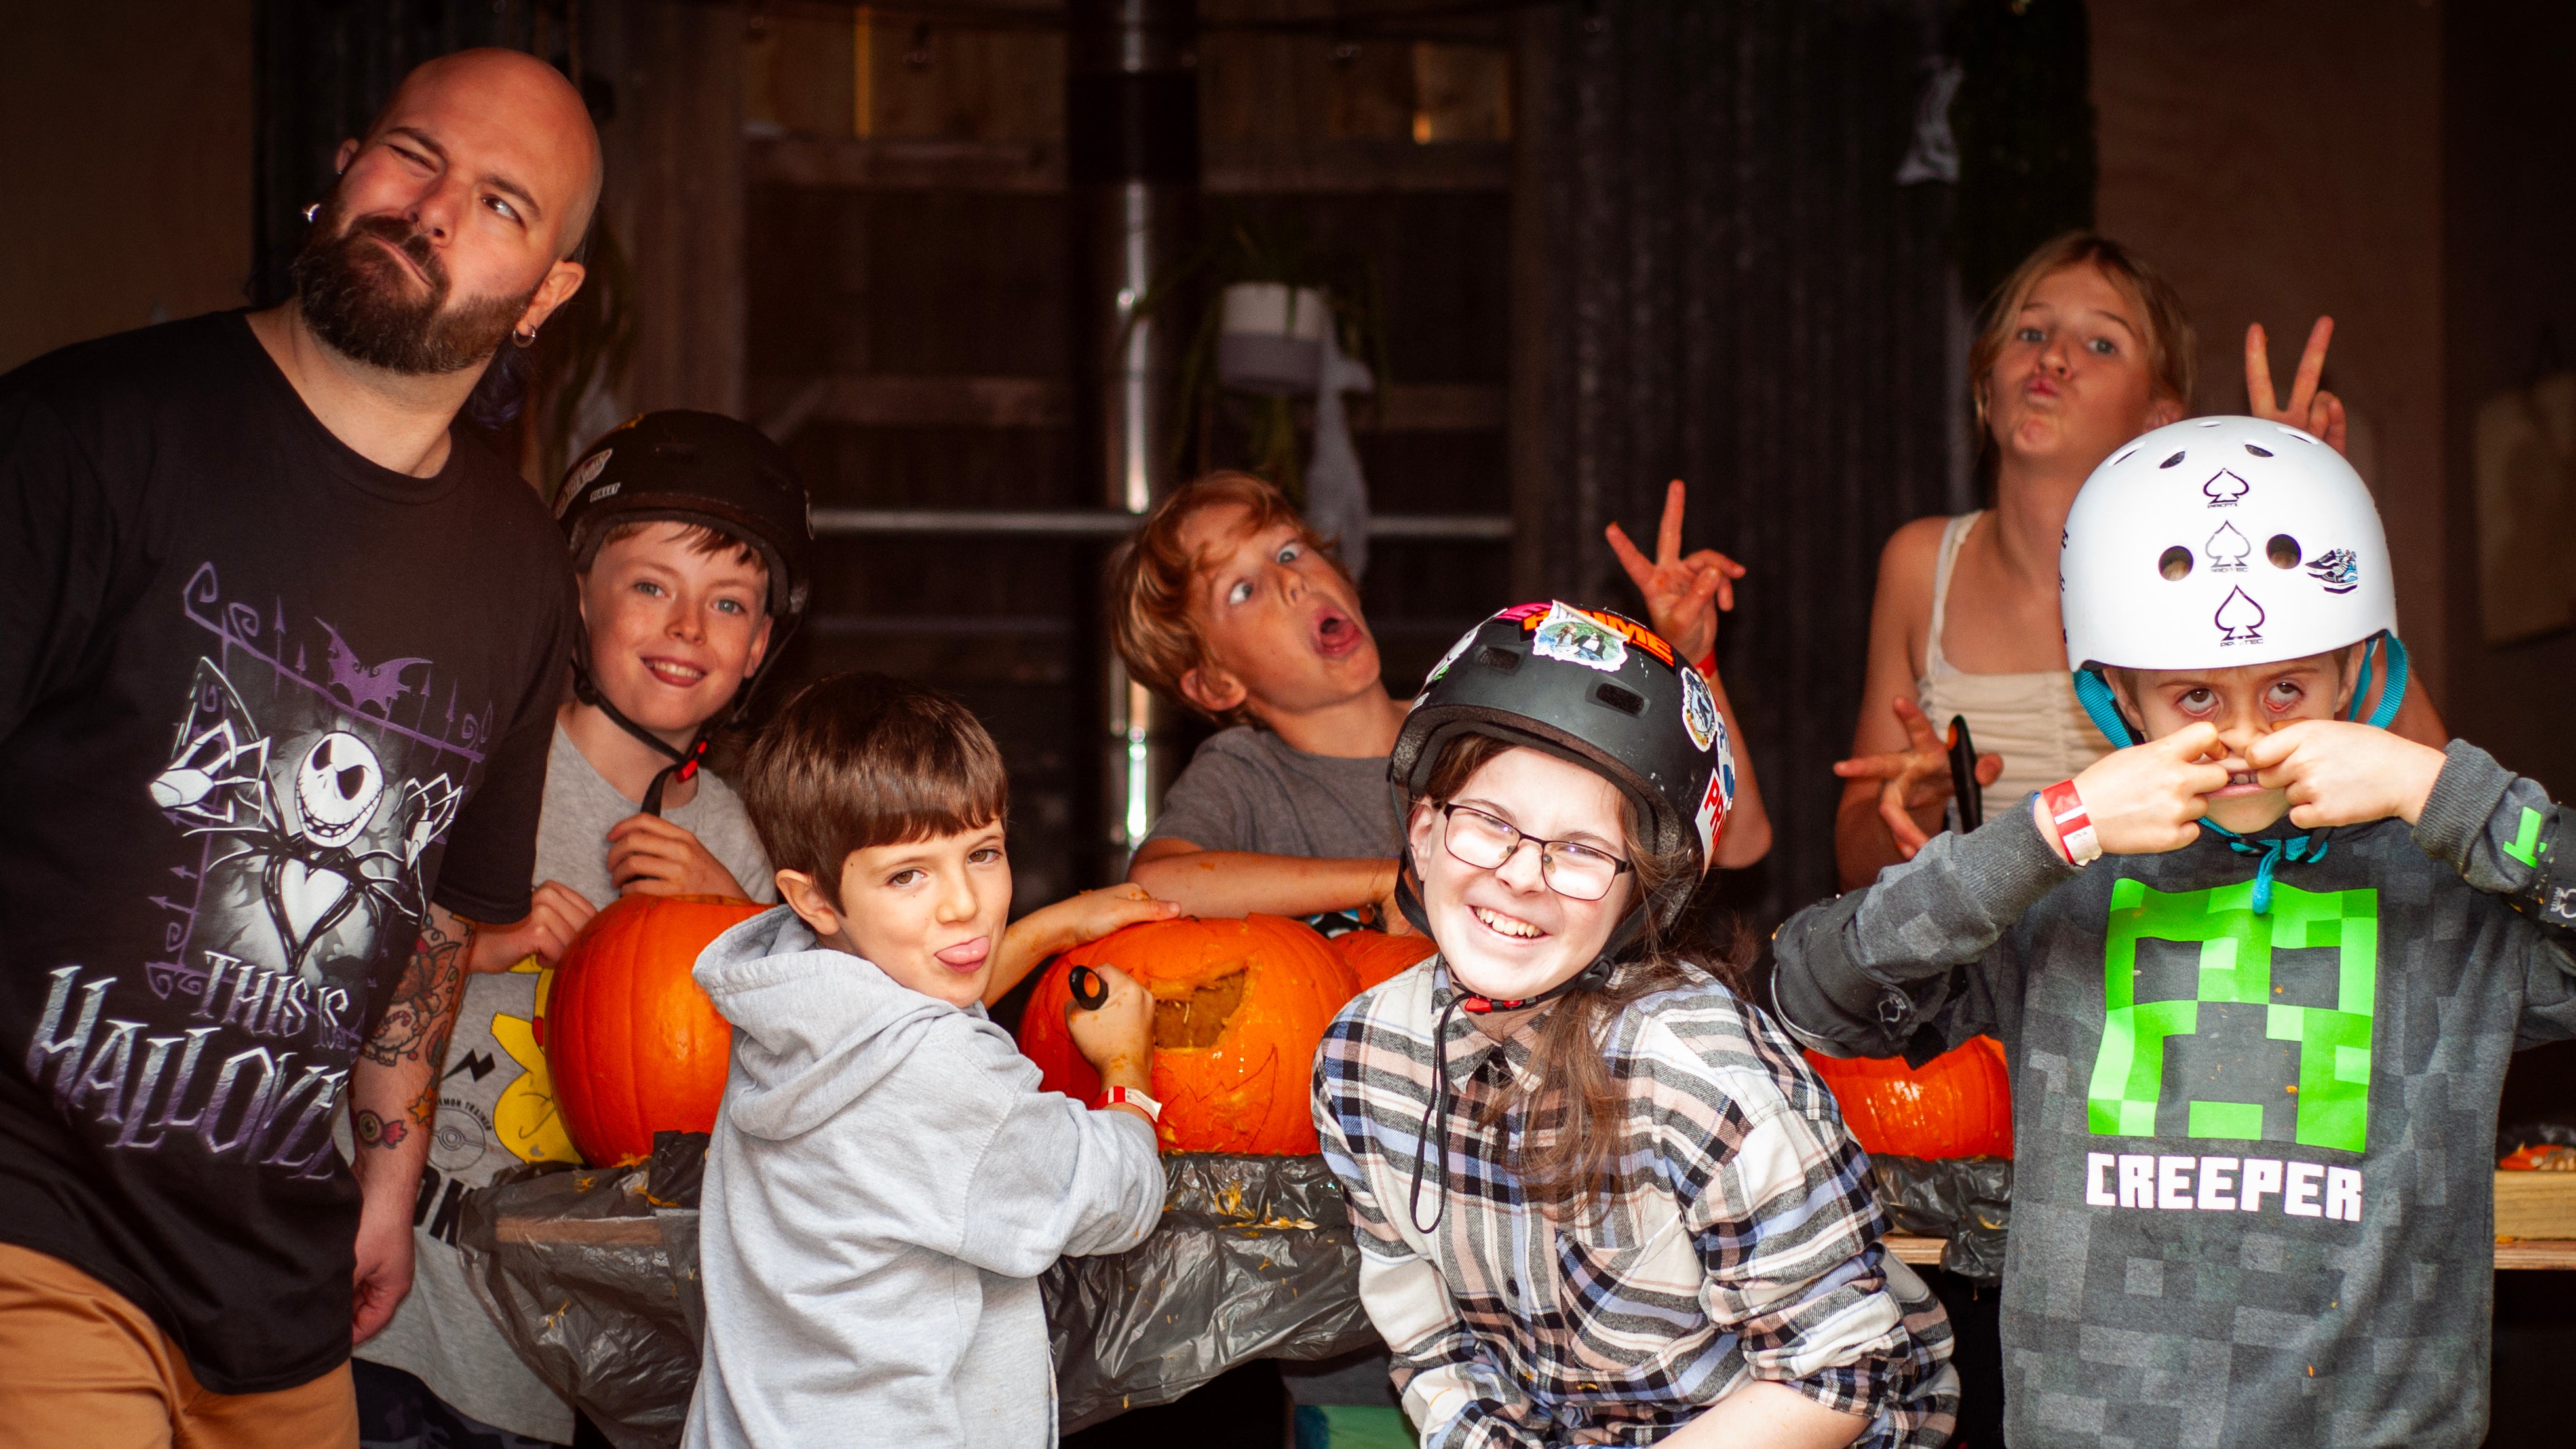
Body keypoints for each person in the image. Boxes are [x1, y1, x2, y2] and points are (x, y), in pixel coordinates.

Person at [0, 48, 598, 1449]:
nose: (436, 209)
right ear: (345, 168)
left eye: (503, 203)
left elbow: (438, 912)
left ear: (549, 292)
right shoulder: (81, 436)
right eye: (415, 154)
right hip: (34, 1230)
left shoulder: (518, 571)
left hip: (276, 1293)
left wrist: (386, 1176)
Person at [1771, 416, 2576, 1446]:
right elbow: (1812, 993)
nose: (2241, 736)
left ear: (2355, 669)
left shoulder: (2447, 884)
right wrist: (2047, 828)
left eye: (2285, 687)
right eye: (2194, 693)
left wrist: (2436, 784)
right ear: (2116, 696)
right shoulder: (2058, 879)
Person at [1313, 601, 1957, 1449]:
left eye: (1579, 849)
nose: (1520, 875)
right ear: (1424, 833)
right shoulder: (1361, 1058)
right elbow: (1432, 1341)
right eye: (1488, 823)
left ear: (1637, 897)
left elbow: (1834, 1376)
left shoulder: (1697, 1073)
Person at [1831, 232, 2446, 891]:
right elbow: (1855, 872)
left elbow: (2433, 796)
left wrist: (2307, 531)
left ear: (2159, 417)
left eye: (2101, 343)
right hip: (1992, 977)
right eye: (2031, 333)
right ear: (1986, 378)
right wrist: (1915, 806)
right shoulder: (1919, 564)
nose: (2055, 357)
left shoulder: (2212, 567)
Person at [683, 674, 1168, 1449]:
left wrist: (1048, 931)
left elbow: (916, 1012)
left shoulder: (793, 999)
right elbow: (1115, 1199)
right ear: (814, 899)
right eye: (908, 874)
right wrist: (1127, 1071)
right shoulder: (938, 1072)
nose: (963, 904)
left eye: (982, 853)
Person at [1114, 471, 1771, 923]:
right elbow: (1155, 883)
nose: (1290, 584)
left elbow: (1736, 842)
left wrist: (1693, 658)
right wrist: (1387, 883)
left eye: (1289, 552)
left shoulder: (1483, 718)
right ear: (1216, 682)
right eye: (1241, 589)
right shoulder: (1247, 774)